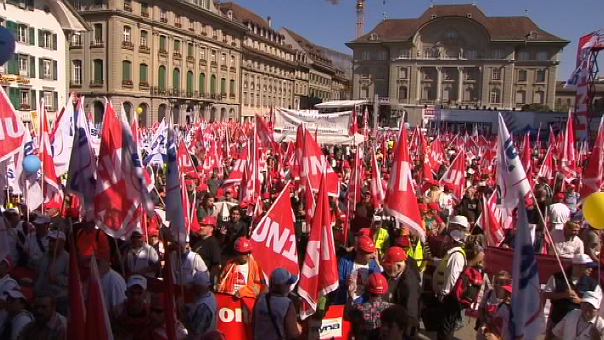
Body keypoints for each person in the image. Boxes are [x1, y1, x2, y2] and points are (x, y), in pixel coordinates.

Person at [544, 254, 601, 337]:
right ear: (577, 266)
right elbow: (546, 294)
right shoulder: (557, 277)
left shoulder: (593, 284)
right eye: (588, 267)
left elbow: (597, 304)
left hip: (580, 324)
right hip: (557, 320)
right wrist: (563, 295)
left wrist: (580, 301)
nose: (591, 269)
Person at [381, 246, 421, 338]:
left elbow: (411, 316)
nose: (386, 268)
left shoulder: (409, 284)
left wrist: (403, 336)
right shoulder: (393, 274)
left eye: (388, 266)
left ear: (398, 266)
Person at [252, 268, 301, 340]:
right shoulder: (287, 304)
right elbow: (292, 335)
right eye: (288, 283)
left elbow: (253, 324)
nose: (289, 286)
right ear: (282, 286)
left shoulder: (260, 298)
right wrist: (300, 332)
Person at [335, 235, 382, 304]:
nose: (373, 256)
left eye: (373, 252)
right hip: (345, 302)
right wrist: (345, 282)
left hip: (365, 305)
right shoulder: (345, 261)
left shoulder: (374, 266)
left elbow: (378, 286)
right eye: (369, 253)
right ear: (359, 252)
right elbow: (336, 281)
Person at [347, 273, 393, 340]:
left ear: (367, 289)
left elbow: (348, 313)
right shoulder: (391, 309)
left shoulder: (357, 308)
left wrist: (350, 295)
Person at [33, 231, 69, 316]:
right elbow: (39, 274)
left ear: (62, 243)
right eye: (50, 241)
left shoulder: (67, 259)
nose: (51, 244)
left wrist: (57, 279)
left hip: (58, 300)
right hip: (41, 297)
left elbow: (71, 281)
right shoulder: (44, 256)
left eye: (54, 241)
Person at [475, 271, 511, 340]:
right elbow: (481, 308)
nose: (497, 285)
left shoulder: (509, 299)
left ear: (507, 284)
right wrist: (483, 324)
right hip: (485, 330)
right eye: (496, 282)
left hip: (499, 334)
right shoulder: (489, 293)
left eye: (501, 283)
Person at [112, 275, 150, 340]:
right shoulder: (117, 312)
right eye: (132, 293)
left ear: (145, 294)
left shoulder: (151, 313)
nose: (135, 297)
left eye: (139, 293)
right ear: (126, 293)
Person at [185, 271, 217, 339]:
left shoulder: (203, 308)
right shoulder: (210, 295)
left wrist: (182, 313)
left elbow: (195, 332)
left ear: (197, 287)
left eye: (193, 285)